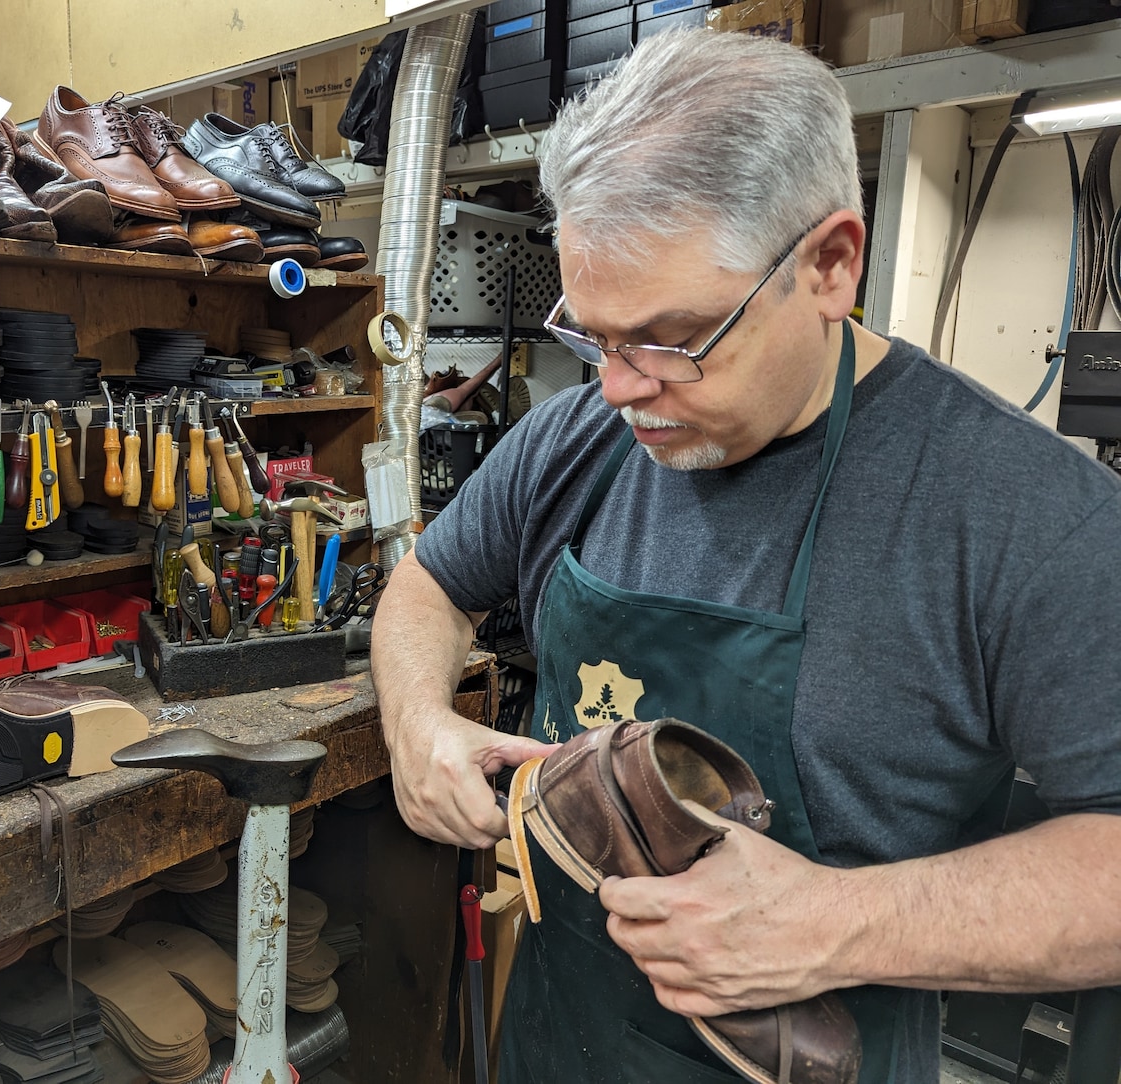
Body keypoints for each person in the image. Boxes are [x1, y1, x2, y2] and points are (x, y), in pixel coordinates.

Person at [370, 26, 1121, 1084]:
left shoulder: (1024, 516)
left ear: (830, 266)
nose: (620, 386)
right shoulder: (574, 441)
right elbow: (428, 588)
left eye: (671, 340)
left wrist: (835, 921)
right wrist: (418, 723)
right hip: (557, 1044)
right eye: (594, 337)